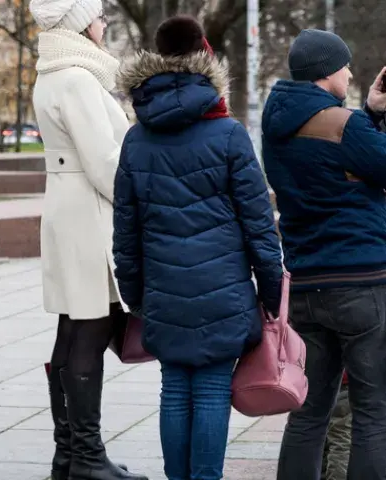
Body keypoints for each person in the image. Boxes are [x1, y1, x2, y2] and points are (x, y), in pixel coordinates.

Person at [113, 15, 284, 480]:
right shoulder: (228, 135)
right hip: (223, 289)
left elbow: (124, 230)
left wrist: (136, 295)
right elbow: (258, 225)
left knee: (174, 390)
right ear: (206, 61)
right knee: (210, 391)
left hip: (163, 289)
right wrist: (271, 292)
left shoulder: (135, 139)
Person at [28, 0, 148, 478]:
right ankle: (87, 456)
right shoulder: (77, 77)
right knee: (90, 329)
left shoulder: (55, 71)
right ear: (80, 23)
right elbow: (106, 165)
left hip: (71, 209)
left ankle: (71, 454)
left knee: (72, 331)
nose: (103, 23)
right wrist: (144, 202)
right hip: (89, 216)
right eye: (98, 16)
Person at [261, 28, 386, 480]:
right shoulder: (344, 124)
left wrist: (369, 112)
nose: (351, 73)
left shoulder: (275, 127)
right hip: (361, 283)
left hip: (307, 285)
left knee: (310, 411)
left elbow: (336, 163)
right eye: (346, 66)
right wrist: (369, 119)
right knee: (374, 409)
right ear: (327, 72)